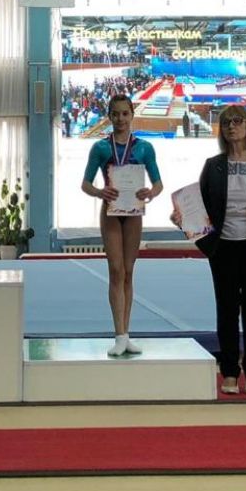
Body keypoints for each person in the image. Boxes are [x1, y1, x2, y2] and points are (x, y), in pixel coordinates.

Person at [178, 104, 246, 395]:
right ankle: (228, 371)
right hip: (223, 248)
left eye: (237, 121)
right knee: (226, 310)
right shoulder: (213, 165)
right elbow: (199, 208)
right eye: (226, 122)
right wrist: (182, 219)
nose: (231, 126)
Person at [81, 95, 163, 357]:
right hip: (111, 212)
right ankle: (119, 334)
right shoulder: (100, 148)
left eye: (125, 114)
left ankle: (126, 335)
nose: (120, 119)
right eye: (115, 114)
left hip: (134, 212)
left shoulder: (145, 148)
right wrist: (99, 192)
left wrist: (150, 193)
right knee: (115, 270)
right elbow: (85, 184)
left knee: (128, 271)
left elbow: (158, 183)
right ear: (109, 116)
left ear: (132, 115)